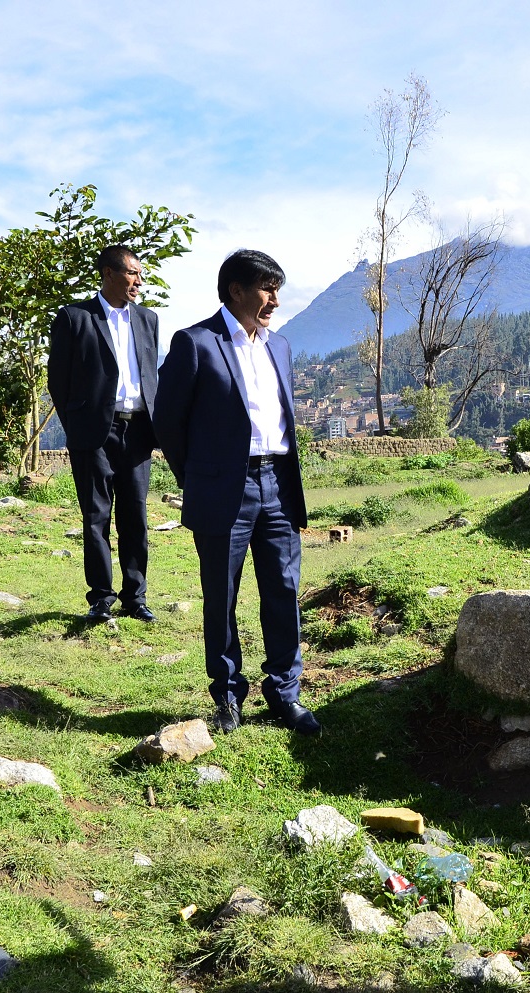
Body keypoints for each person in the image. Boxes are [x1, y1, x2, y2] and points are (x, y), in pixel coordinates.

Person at [153, 250, 318, 736]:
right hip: (225, 488)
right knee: (221, 594)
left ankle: (285, 692)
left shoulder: (279, 345)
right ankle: (227, 695)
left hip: (279, 485)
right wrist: (198, 478)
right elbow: (168, 421)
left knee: (284, 589)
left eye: (277, 290)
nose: (275, 300)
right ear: (235, 291)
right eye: (267, 289)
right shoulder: (196, 342)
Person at [47, 246, 160, 623]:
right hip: (94, 431)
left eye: (140, 274)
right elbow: (58, 379)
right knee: (96, 515)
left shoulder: (148, 319)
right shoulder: (75, 317)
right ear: (109, 274)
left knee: (136, 516)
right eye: (132, 273)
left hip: (138, 429)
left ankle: (135, 598)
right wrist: (77, 424)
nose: (139, 281)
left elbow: (150, 374)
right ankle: (100, 598)